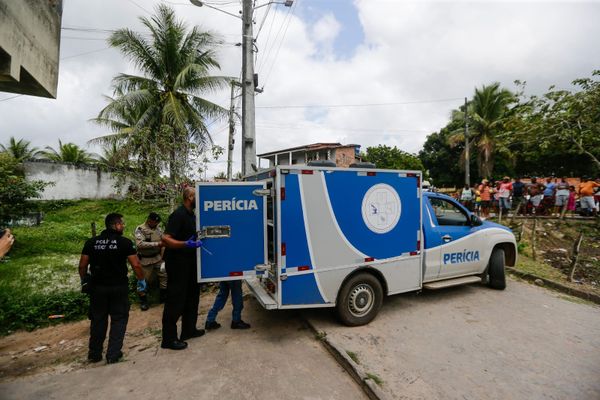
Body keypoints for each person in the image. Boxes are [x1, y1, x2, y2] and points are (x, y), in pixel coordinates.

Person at [79, 213, 146, 364]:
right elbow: (135, 264)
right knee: (119, 319)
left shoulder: (91, 242)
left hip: (97, 288)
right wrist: (141, 280)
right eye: (122, 224)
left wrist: (84, 280)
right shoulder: (124, 242)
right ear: (115, 225)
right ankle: (113, 354)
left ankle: (94, 354)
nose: (123, 226)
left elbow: (83, 265)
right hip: (118, 287)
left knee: (98, 320)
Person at [161, 187, 205, 351]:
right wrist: (185, 244)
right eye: (197, 196)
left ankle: (188, 330)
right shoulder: (178, 215)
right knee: (175, 301)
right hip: (178, 264)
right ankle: (169, 339)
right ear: (190, 197)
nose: (198, 199)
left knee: (192, 298)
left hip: (190, 264)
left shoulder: (191, 215)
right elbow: (166, 239)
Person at [134, 212, 166, 310]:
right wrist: (156, 244)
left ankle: (163, 297)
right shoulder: (140, 229)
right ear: (149, 220)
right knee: (143, 280)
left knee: (164, 276)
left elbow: (163, 242)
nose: (155, 224)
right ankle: (143, 301)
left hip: (157, 258)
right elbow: (139, 244)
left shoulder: (159, 229)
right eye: (154, 222)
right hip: (145, 259)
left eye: (157, 222)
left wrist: (163, 256)